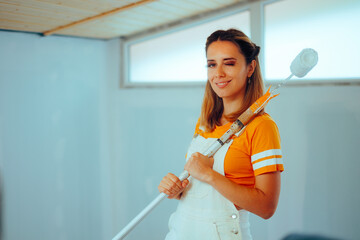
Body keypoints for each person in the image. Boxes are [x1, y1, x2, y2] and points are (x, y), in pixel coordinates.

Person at [158, 29, 283, 240]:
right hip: (182, 232)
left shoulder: (262, 127)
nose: (219, 74)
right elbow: (197, 181)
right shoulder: (205, 122)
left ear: (250, 67)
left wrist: (209, 175)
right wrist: (177, 189)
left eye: (229, 63)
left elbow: (266, 207)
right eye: (212, 64)